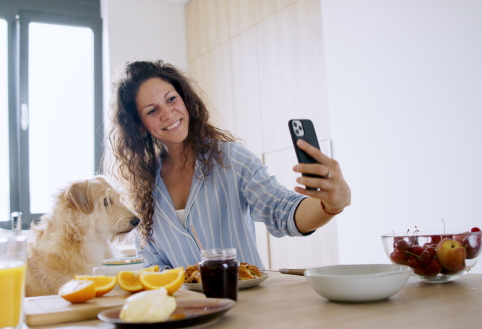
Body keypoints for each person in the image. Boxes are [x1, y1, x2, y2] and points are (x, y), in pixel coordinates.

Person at [105, 60, 351, 270]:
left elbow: (281, 211)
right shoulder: (144, 188)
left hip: (247, 308)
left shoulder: (231, 159)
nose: (168, 113)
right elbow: (151, 263)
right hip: (187, 316)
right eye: (152, 110)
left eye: (171, 99)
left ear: (185, 101)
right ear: (138, 125)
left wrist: (329, 205)